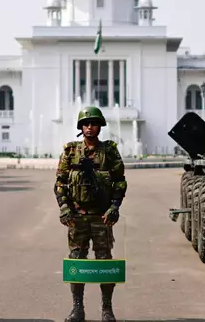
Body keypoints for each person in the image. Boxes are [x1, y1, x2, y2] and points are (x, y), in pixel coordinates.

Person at [54, 106, 127, 322]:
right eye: (85, 124)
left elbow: (120, 181)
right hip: (77, 217)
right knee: (77, 261)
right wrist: (64, 207)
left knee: (104, 262)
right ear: (80, 127)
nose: (89, 127)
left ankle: (107, 308)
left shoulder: (110, 151)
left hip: (102, 216)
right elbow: (60, 183)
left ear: (100, 126)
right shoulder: (70, 151)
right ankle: (78, 308)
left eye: (93, 123)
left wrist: (115, 207)